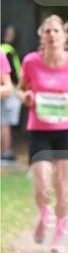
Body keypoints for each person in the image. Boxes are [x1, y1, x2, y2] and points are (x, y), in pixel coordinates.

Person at [17, 15, 68, 253]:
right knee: (42, 184)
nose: (52, 35)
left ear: (64, 35)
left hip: (67, 131)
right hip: (39, 131)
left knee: (62, 186)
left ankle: (58, 237)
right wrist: (25, 97)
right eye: (47, 31)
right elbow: (20, 90)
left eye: (56, 31)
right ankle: (44, 215)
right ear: (41, 36)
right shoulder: (31, 61)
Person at [1, 24, 22, 161]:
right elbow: (13, 71)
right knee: (5, 122)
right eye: (8, 34)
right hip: (11, 88)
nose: (10, 36)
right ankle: (6, 152)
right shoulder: (7, 50)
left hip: (7, 89)